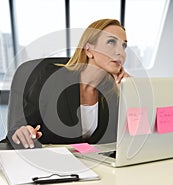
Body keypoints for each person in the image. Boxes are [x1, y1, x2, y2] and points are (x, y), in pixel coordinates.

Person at [8, 18, 129, 149]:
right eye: (111, 42)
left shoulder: (115, 90)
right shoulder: (51, 78)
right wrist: (22, 131)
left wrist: (130, 92)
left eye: (124, 45)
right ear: (88, 50)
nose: (120, 52)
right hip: (53, 163)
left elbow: (136, 138)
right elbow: (20, 125)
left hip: (97, 166)